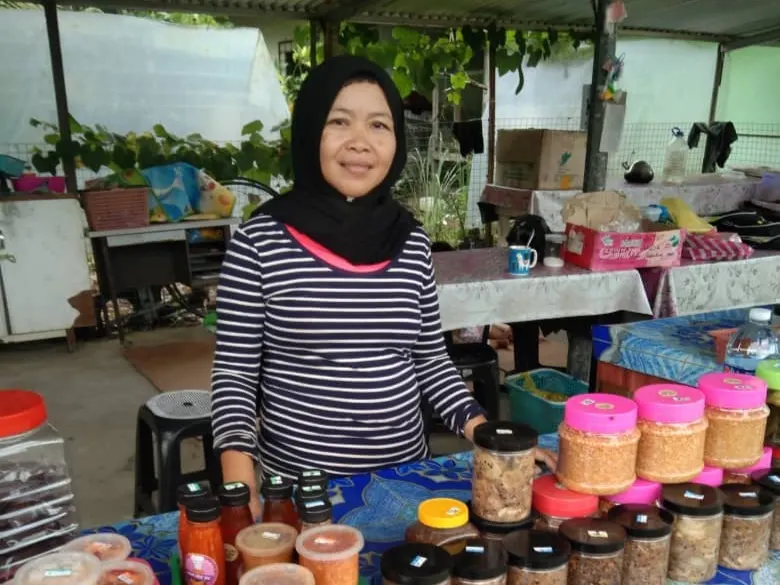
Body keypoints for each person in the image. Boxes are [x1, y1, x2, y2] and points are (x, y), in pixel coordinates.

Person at [210, 55, 555, 516]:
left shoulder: (410, 242)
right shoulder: (259, 243)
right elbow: (234, 377)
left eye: (379, 125)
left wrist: (493, 438)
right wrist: (241, 489)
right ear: (311, 130)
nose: (360, 143)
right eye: (339, 122)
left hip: (405, 482)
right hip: (300, 493)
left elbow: (430, 359)